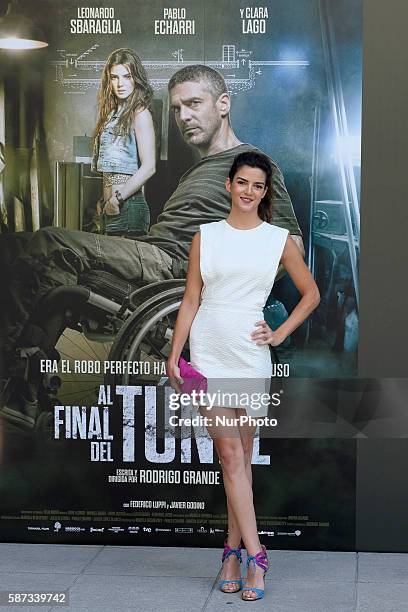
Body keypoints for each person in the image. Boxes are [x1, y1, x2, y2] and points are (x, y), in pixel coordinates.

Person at [0, 65, 303, 411]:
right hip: (150, 251)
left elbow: (292, 247)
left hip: (170, 267)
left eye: (193, 104)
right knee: (12, 246)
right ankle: (26, 382)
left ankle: (7, 372)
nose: (183, 116)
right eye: (176, 109)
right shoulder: (198, 170)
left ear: (222, 104)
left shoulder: (252, 166)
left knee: (52, 244)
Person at [166, 150, 320, 602]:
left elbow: (310, 294)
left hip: (251, 358)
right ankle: (258, 555)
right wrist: (176, 355)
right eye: (242, 182)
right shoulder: (205, 236)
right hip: (207, 353)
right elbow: (191, 300)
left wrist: (278, 334)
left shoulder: (277, 240)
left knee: (242, 457)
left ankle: (231, 552)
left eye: (258, 185)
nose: (249, 191)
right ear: (229, 184)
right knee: (230, 454)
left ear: (264, 191)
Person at [92, 48, 155, 236]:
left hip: (127, 207)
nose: (120, 84)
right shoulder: (111, 115)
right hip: (110, 208)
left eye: (127, 76)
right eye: (114, 77)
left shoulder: (140, 113)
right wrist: (104, 199)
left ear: (136, 78)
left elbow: (149, 167)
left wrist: (116, 199)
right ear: (108, 80)